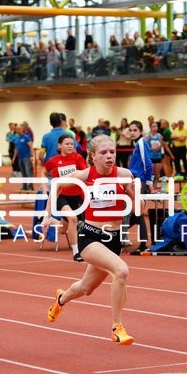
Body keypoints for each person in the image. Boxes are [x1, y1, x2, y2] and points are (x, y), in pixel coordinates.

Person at [46, 134, 136, 345]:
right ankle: (117, 328)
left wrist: (134, 193)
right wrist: (47, 215)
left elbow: (137, 206)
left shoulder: (124, 175)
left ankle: (61, 299)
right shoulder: (84, 175)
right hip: (90, 237)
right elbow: (57, 186)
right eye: (103, 153)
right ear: (93, 156)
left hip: (114, 239)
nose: (109, 156)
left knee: (86, 288)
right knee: (121, 271)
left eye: (112, 152)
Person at [40, 133, 88, 262]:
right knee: (73, 218)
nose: (70, 146)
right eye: (67, 144)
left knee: (63, 229)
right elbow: (43, 172)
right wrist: (44, 187)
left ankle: (50, 220)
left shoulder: (78, 158)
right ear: (60, 145)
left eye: (72, 144)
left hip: (77, 197)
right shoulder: (53, 161)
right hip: (61, 196)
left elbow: (85, 174)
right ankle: (76, 252)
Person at [126, 120, 154, 255]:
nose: (132, 133)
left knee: (138, 213)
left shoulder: (141, 143)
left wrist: (149, 183)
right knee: (134, 212)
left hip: (139, 181)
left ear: (141, 132)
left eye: (135, 130)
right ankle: (120, 232)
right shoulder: (137, 143)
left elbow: (148, 163)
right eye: (130, 130)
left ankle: (143, 244)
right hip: (135, 180)